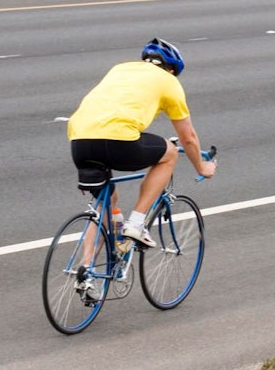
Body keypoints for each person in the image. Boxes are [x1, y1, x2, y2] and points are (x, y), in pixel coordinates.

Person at [68, 38, 216, 248]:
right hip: (118, 139)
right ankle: (136, 224)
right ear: (172, 70)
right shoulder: (169, 81)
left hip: (80, 140)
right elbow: (188, 137)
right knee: (170, 153)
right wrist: (202, 167)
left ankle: (84, 272)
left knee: (106, 203)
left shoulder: (120, 69)